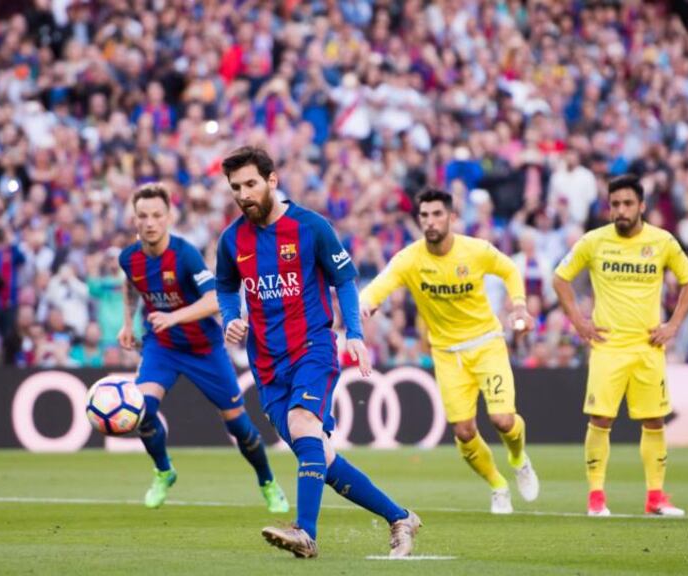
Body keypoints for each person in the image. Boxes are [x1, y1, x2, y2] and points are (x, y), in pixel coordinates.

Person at [215, 147, 419, 559]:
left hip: (313, 347)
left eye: (251, 184)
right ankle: (400, 518)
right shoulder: (232, 239)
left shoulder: (311, 227)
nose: (243, 194)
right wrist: (230, 316)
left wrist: (355, 334)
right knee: (319, 455)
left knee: (303, 422)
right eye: (236, 187)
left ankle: (305, 532)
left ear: (272, 180)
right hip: (267, 366)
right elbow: (223, 285)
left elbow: (344, 280)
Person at [359, 188, 540, 514]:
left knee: (502, 419)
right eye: (424, 215)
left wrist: (520, 307)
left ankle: (518, 459)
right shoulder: (410, 258)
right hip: (446, 354)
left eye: (437, 214)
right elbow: (378, 287)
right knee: (463, 431)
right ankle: (498, 486)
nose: (430, 221)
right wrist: (364, 306)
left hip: (486, 343)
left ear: (452, 218)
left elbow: (510, 270)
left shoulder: (476, 250)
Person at [118, 182, 288, 513]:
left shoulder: (185, 255)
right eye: (143, 216)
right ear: (135, 220)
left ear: (169, 217)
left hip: (203, 349)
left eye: (156, 215)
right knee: (142, 411)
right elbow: (131, 285)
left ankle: (268, 482)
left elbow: (214, 300)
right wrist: (128, 322)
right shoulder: (129, 258)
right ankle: (164, 471)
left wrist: (174, 316)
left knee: (238, 425)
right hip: (162, 348)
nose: (150, 222)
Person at [553, 174, 688, 517]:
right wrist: (578, 321)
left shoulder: (662, 241)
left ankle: (655, 498)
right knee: (601, 418)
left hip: (648, 347)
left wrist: (674, 325)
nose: (620, 210)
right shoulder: (594, 241)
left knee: (654, 421)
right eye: (615, 204)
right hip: (608, 346)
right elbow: (560, 278)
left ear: (642, 206)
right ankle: (596, 498)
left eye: (627, 204)